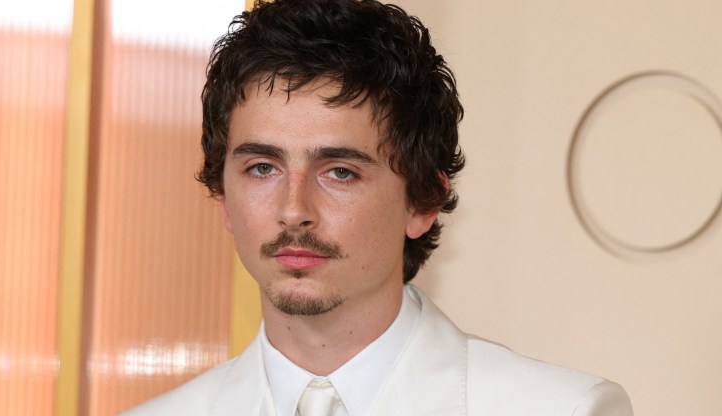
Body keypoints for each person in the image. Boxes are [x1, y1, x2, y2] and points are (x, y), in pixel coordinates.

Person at [125, 0, 633, 415]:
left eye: (339, 171)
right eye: (262, 168)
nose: (293, 209)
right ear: (224, 200)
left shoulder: (562, 410)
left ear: (423, 202)